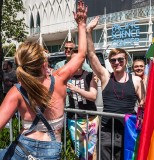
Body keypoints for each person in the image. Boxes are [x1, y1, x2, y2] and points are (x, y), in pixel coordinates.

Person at [0, 0, 88, 159]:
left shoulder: (17, 91)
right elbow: (81, 54)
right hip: (51, 150)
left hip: (22, 149)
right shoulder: (59, 79)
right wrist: (81, 24)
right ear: (44, 62)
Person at [86, 16, 145, 160]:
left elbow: (143, 103)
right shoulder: (106, 77)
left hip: (128, 131)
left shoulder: (136, 80)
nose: (117, 62)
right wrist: (88, 31)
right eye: (113, 60)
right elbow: (92, 55)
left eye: (120, 59)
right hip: (107, 131)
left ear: (126, 60)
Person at [67, 51, 99, 160]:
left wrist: (76, 89)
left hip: (90, 119)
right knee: (78, 151)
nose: (76, 62)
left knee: (90, 150)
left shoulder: (89, 75)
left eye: (79, 59)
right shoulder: (66, 77)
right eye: (73, 59)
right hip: (74, 120)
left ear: (83, 61)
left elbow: (93, 96)